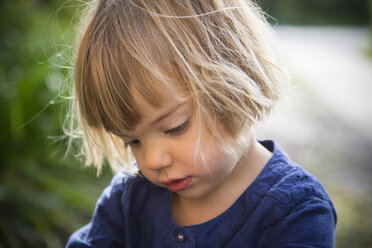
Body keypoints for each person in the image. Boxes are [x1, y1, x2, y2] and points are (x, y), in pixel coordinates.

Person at [65, 0, 337, 247]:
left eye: (175, 127)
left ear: (233, 81)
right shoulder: (130, 196)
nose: (153, 161)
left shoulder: (295, 212)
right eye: (133, 141)